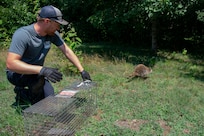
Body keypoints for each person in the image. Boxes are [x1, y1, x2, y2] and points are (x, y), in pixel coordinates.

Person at [6, 5, 91, 109]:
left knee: (50, 98)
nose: (59, 28)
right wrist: (42, 70)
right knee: (40, 102)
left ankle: (28, 94)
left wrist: (82, 70)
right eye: (57, 24)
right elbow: (11, 64)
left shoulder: (52, 34)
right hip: (17, 74)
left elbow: (67, 50)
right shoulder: (23, 34)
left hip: (36, 74)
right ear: (47, 21)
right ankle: (23, 94)